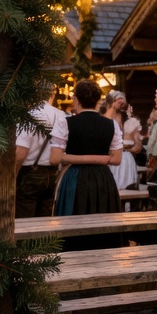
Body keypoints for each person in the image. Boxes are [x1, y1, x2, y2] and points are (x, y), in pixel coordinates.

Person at [50, 79, 123, 220]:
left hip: (75, 177)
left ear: (76, 100)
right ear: (98, 101)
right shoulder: (111, 124)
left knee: (73, 219)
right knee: (103, 219)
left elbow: (55, 158)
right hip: (102, 178)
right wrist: (102, 159)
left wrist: (71, 157)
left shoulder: (65, 122)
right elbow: (116, 159)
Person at [14, 83, 68, 219]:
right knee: (44, 221)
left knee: (24, 221)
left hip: (30, 173)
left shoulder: (29, 116)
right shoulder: (61, 115)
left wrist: (12, 177)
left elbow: (20, 153)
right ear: (52, 94)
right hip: (52, 173)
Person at [103, 91, 141, 190]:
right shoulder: (103, 119)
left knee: (128, 190)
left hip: (127, 160)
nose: (121, 103)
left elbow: (138, 147)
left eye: (122, 100)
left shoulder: (130, 121)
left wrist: (126, 147)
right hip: (110, 159)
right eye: (117, 100)